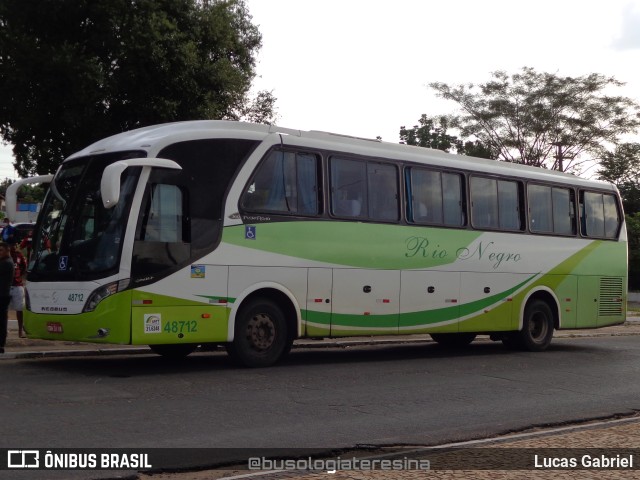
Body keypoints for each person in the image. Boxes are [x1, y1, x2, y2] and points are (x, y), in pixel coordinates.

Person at [0, 242, 15, 354]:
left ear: (7, 250)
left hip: (2, 295)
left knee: (1, 321)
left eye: (1, 250)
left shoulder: (7, 263)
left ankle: (1, 344)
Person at [10, 243, 27, 338]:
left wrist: (18, 276)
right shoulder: (3, 256)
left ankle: (20, 331)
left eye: (15, 244)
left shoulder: (20, 256)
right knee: (3, 310)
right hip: (6, 286)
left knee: (20, 309)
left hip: (18, 285)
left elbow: (24, 267)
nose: (14, 246)